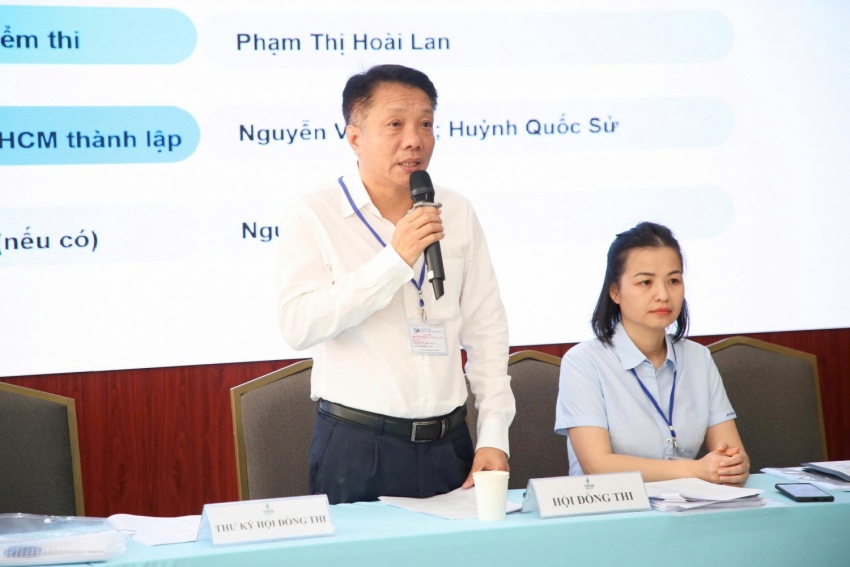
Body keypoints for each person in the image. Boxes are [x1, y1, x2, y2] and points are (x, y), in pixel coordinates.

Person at [276, 64, 515, 504]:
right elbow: (298, 325)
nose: (414, 140)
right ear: (354, 137)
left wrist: (494, 434)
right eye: (395, 124)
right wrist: (394, 260)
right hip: (358, 446)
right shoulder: (315, 213)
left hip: (451, 444)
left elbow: (487, 331)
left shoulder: (456, 210)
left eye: (425, 124)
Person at [554, 222, 750, 485]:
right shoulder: (583, 362)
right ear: (615, 291)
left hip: (687, 504)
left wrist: (734, 466)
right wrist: (695, 470)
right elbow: (597, 465)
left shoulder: (699, 358)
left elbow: (730, 453)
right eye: (645, 282)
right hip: (610, 506)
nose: (663, 295)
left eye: (673, 281)